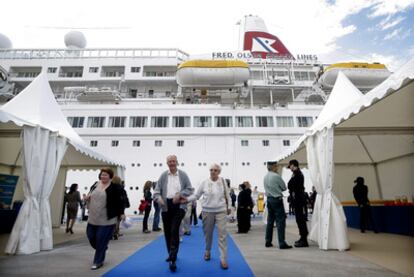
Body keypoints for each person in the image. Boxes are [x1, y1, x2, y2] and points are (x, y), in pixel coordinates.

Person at [186, 163, 231, 269]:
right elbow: (197, 195)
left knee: (222, 235)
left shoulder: (223, 182)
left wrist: (229, 207)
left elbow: (228, 196)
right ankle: (207, 251)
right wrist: (187, 199)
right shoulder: (204, 183)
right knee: (208, 234)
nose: (213, 171)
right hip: (207, 211)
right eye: (211, 170)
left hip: (221, 211)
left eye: (215, 170)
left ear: (219, 172)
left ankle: (223, 258)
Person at [153, 155, 193, 272]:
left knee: (174, 230)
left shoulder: (183, 175)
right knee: (167, 232)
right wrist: (158, 198)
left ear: (177, 162)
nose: (172, 163)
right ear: (167, 163)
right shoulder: (163, 175)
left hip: (179, 205)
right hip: (165, 206)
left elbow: (190, 189)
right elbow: (156, 191)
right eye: (170, 161)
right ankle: (171, 253)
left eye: (173, 161)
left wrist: (179, 194)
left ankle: (172, 259)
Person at [85, 168, 125, 270]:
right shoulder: (95, 185)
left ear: (110, 176)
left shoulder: (115, 187)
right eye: (102, 175)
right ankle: (102, 248)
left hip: (107, 219)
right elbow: (90, 194)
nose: (103, 176)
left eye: (106, 175)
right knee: (90, 236)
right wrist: (87, 198)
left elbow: (120, 201)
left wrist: (121, 213)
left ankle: (98, 261)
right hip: (93, 217)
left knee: (100, 239)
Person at [264, 161, 292, 249]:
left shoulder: (265, 177)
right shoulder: (276, 176)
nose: (277, 168)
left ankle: (268, 241)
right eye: (276, 166)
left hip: (269, 199)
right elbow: (284, 187)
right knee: (280, 222)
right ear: (274, 167)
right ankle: (282, 242)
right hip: (277, 199)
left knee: (270, 221)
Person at [287, 159, 309, 247]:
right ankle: (302, 237)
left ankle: (304, 240)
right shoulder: (296, 174)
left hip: (299, 200)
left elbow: (290, 185)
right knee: (299, 219)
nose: (290, 169)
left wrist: (291, 180)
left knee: (300, 219)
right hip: (297, 200)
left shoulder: (298, 174)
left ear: (293, 165)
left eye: (290, 166)